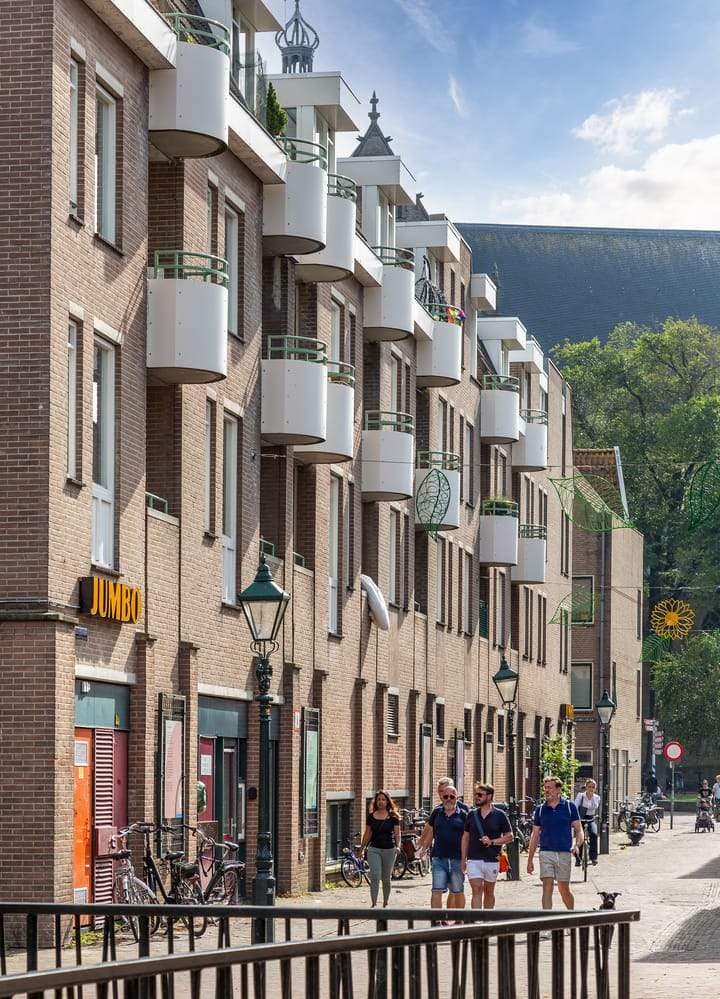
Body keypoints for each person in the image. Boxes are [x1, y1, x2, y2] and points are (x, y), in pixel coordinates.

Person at [527, 776, 584, 910]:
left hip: (564, 852)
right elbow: (535, 835)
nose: (547, 791)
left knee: (564, 889)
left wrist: (577, 845)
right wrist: (530, 860)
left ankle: (571, 916)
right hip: (546, 852)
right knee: (547, 887)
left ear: (558, 789)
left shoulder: (569, 807)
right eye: (545, 788)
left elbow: (579, 830)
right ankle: (547, 923)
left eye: (550, 788)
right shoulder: (540, 810)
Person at [460, 782, 513, 909]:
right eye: (475, 794)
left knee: (489, 892)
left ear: (489, 797)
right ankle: (476, 922)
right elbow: (465, 837)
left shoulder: (499, 815)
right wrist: (463, 859)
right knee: (476, 890)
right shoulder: (471, 815)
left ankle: (488, 919)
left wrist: (492, 842)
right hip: (474, 859)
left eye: (480, 794)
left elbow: (510, 836)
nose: (476, 797)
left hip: (492, 859)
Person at [417, 784, 466, 912]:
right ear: (442, 798)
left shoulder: (464, 815)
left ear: (457, 798)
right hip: (439, 858)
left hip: (457, 859)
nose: (449, 799)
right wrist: (424, 848)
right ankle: (436, 922)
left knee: (457, 890)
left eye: (452, 796)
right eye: (446, 796)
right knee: (436, 890)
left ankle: (459, 920)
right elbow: (432, 833)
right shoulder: (437, 813)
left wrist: (466, 858)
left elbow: (468, 838)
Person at [359, 790, 401, 908]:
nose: (381, 802)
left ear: (387, 801)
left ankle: (385, 902)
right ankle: (373, 903)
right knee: (375, 875)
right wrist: (361, 849)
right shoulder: (371, 817)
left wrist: (398, 846)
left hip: (389, 850)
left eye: (383, 799)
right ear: (375, 802)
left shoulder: (393, 817)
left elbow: (397, 834)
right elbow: (367, 834)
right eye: (378, 800)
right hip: (374, 849)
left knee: (386, 878)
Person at [574, 779, 601, 866]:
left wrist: (591, 797)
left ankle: (593, 857)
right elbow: (575, 806)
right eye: (589, 787)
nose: (591, 789)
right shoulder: (580, 796)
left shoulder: (596, 797)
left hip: (590, 819)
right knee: (580, 837)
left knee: (594, 834)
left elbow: (595, 806)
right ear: (586, 787)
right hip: (580, 818)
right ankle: (578, 859)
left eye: (593, 787)